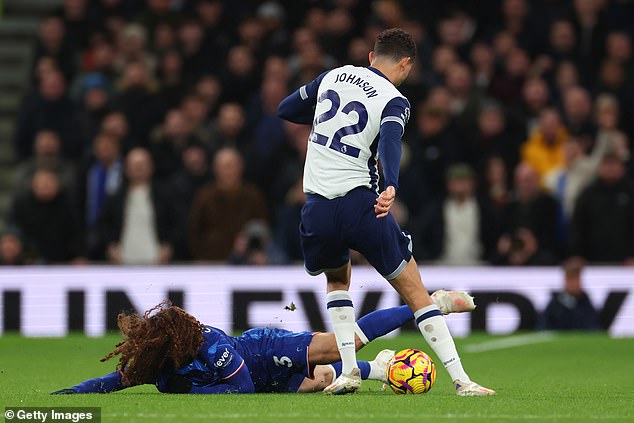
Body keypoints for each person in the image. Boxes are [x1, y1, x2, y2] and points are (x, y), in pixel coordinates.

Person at [276, 28, 495, 396]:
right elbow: (391, 141)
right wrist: (391, 183)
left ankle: (348, 372)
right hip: (360, 204)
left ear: (370, 55)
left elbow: (285, 108)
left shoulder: (333, 76)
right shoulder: (395, 99)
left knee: (336, 282)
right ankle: (462, 381)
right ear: (406, 63)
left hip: (315, 207)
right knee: (416, 293)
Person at [51, 293, 474, 395]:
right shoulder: (161, 363)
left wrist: (192, 392)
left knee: (345, 345)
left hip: (266, 352)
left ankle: (425, 303)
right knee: (323, 383)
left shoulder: (209, 344)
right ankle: (384, 369)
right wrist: (71, 394)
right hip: (266, 377)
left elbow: (241, 389)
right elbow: (115, 379)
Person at [538, 260, 600, 330]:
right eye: (570, 279)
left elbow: (593, 326)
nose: (573, 284)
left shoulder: (585, 301)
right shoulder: (557, 302)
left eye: (576, 279)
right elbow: (543, 326)